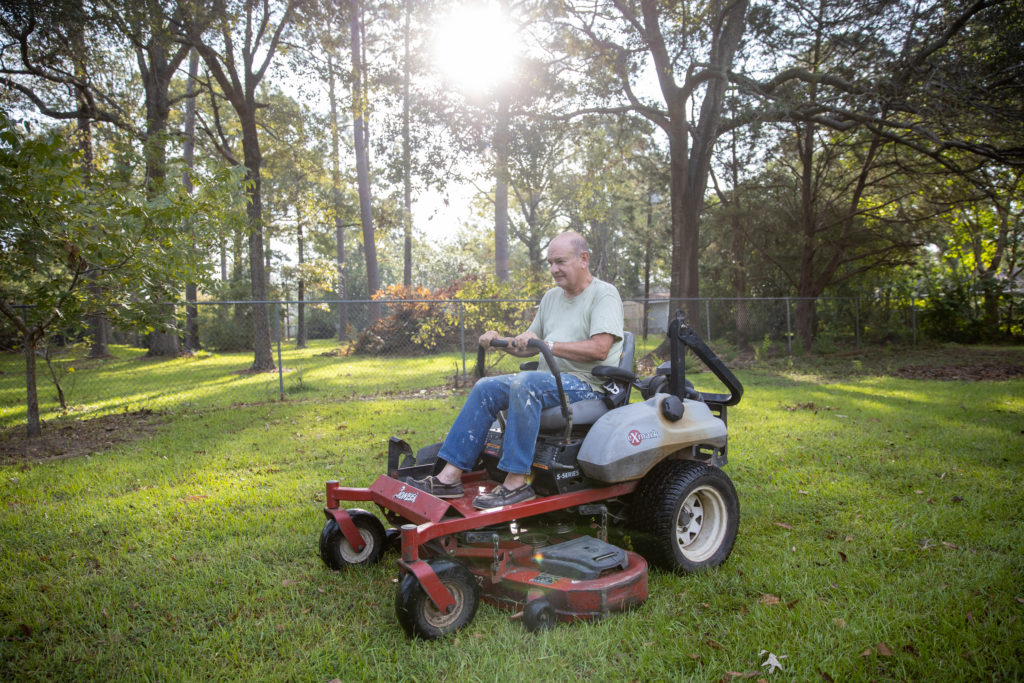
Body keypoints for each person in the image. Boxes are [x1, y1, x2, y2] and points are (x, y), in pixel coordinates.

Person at [407, 230, 624, 509]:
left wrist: (548, 344)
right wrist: (500, 342)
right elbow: (529, 344)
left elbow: (599, 349)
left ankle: (515, 483)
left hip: (587, 385)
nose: (554, 269)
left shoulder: (604, 295)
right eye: (550, 263)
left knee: (526, 383)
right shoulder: (551, 298)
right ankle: (448, 478)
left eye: (560, 262)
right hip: (548, 381)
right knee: (486, 387)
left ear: (583, 259)